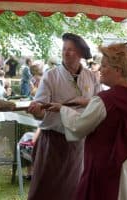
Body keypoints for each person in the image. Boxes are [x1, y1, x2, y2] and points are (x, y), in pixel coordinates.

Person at [47, 43, 127, 200]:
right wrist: (90, 102)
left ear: (118, 70)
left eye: (105, 66)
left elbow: (79, 126)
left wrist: (62, 108)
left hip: (108, 166)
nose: (100, 69)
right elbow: (120, 114)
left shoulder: (105, 100)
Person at [27, 33, 101, 200]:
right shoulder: (51, 75)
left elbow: (99, 105)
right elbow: (40, 108)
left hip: (79, 144)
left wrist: (85, 102)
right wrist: (37, 110)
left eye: (71, 50)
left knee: (74, 189)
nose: (66, 53)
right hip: (53, 141)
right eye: (64, 49)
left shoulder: (90, 76)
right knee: (45, 189)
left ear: (81, 54)